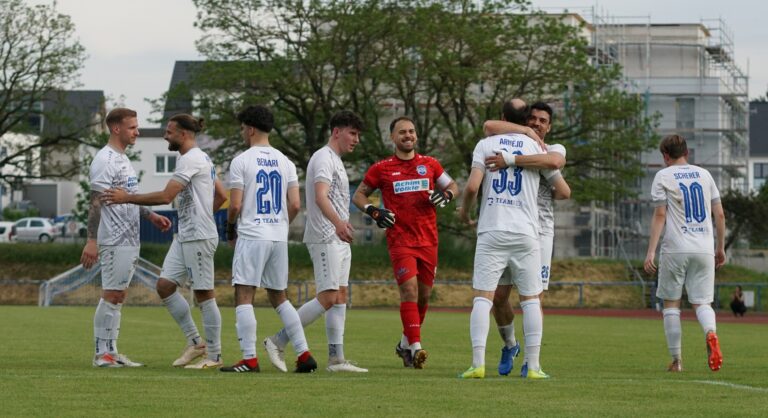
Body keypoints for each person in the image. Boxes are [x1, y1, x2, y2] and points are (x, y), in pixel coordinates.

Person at [103, 114, 227, 369]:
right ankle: (196, 343)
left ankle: (214, 356)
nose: (165, 136)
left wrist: (126, 197)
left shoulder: (191, 159)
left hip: (199, 236)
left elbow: (166, 196)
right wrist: (202, 214)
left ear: (183, 134)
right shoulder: (197, 157)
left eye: (169, 132)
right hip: (186, 235)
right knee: (165, 286)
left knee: (204, 293)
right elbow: (222, 194)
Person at [263, 110, 367, 373]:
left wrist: (342, 224)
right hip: (324, 237)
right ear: (337, 132)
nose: (356, 140)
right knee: (328, 296)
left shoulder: (336, 160)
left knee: (339, 296)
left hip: (338, 237)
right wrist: (339, 223)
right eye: (353, 133)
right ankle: (277, 341)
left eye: (358, 135)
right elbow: (320, 197)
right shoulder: (323, 158)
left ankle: (336, 359)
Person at [352, 116, 459, 369]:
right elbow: (359, 195)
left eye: (411, 131)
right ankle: (417, 348)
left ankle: (404, 345)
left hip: (428, 240)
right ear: (393, 137)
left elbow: (454, 186)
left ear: (416, 135)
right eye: (402, 132)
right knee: (409, 291)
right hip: (400, 240)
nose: (408, 135)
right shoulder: (381, 168)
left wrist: (447, 195)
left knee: (424, 297)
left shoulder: (430, 164)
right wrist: (373, 211)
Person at [218, 105, 317, 373]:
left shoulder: (241, 161)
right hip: (278, 236)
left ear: (250, 129)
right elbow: (295, 204)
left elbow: (235, 205)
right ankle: (304, 354)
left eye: (242, 128)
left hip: (252, 235)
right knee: (280, 297)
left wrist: (230, 229)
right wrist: (280, 225)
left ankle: (249, 359)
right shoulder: (286, 161)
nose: (242, 133)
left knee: (244, 294)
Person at [457, 100, 550, 379]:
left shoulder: (486, 144)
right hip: (526, 231)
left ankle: (477, 364)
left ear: (502, 117)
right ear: (527, 119)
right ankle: (534, 367)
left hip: (492, 229)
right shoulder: (536, 147)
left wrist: (465, 213)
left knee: (483, 298)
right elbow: (558, 175)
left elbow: (472, 187)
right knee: (530, 300)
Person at [482, 101, 571, 377]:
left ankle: (532, 362)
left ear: (550, 126)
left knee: (533, 298)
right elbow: (488, 126)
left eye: (542, 121)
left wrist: (511, 161)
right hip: (507, 226)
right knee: (498, 297)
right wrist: (525, 133)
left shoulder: (552, 148)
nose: (537, 124)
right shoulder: (512, 141)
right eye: (532, 119)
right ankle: (510, 344)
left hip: (540, 231)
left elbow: (556, 168)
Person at [81, 107, 172, 368]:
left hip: (129, 239)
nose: (137, 132)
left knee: (118, 296)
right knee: (111, 294)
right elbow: (96, 202)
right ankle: (102, 354)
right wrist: (92, 240)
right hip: (114, 239)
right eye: (132, 127)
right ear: (116, 128)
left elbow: (126, 197)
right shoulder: (105, 160)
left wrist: (150, 215)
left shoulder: (123, 159)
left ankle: (112, 351)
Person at [643, 134, 725, 372]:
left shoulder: (663, 176)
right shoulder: (705, 175)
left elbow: (660, 215)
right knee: (702, 302)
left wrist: (650, 252)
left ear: (665, 156)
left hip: (676, 248)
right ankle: (710, 332)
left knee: (671, 304)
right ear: (687, 153)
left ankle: (677, 361)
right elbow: (719, 214)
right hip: (704, 248)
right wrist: (720, 248)